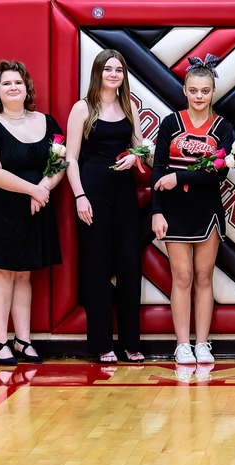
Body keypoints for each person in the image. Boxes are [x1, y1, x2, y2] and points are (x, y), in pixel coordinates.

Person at [0, 60, 64, 365]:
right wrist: (32, 189)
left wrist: (43, 188)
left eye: (18, 82)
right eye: (6, 83)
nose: (13, 88)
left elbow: (60, 160)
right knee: (2, 273)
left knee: (24, 274)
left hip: (36, 206)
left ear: (27, 88)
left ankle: (23, 340)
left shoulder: (47, 122)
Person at [150, 56, 235, 365]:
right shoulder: (171, 123)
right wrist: (156, 212)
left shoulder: (223, 127)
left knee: (203, 276)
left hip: (207, 209)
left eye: (206, 91)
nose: (200, 96)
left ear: (213, 92)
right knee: (182, 276)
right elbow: (158, 169)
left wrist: (180, 176)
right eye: (194, 90)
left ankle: (202, 343)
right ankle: (182, 343)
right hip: (173, 210)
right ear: (184, 90)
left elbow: (220, 172)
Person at [65, 49, 148, 364]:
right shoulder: (82, 108)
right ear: (98, 72)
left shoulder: (129, 107)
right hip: (92, 194)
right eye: (108, 69)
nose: (114, 74)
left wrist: (136, 156)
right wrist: (79, 196)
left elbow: (142, 145)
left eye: (119, 69)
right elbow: (70, 157)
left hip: (124, 194)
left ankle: (131, 343)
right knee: (96, 268)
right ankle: (101, 344)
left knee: (129, 266)